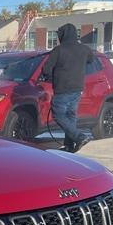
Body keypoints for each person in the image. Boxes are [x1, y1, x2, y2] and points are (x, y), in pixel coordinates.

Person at [43, 23, 93, 152]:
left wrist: (51, 79)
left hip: (62, 89)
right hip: (77, 88)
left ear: (62, 35)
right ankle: (69, 145)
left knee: (58, 116)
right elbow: (91, 60)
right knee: (70, 117)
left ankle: (79, 136)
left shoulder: (59, 50)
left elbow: (46, 69)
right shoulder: (84, 49)